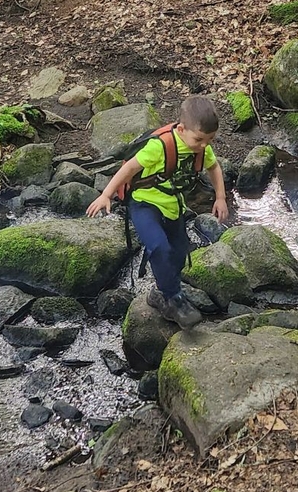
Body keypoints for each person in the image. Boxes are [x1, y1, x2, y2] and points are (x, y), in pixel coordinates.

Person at [86, 94, 227, 328]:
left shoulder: (202, 149)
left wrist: (220, 198)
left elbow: (213, 166)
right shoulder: (160, 147)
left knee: (180, 250)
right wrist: (105, 195)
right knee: (159, 247)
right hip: (143, 203)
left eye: (210, 139)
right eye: (200, 139)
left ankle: (159, 293)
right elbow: (129, 169)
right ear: (181, 129)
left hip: (172, 204)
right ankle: (172, 298)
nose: (204, 145)